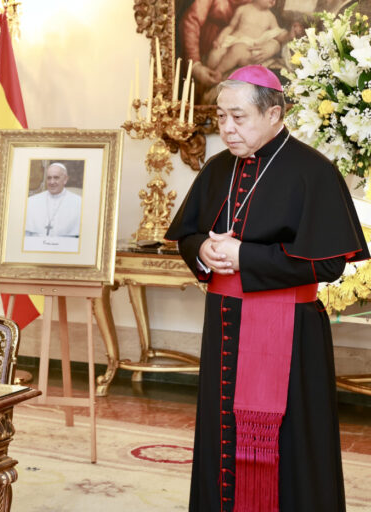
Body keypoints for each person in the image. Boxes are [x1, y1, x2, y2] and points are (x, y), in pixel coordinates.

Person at [165, 65, 369, 511]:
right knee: (221, 436)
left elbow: (331, 261)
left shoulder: (312, 171)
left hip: (290, 331)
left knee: (291, 442)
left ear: (274, 113)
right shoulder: (218, 168)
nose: (227, 128)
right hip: (224, 326)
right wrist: (204, 251)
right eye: (221, 117)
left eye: (239, 117)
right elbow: (188, 233)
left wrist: (245, 257)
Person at [180, 0, 283, 103]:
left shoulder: (267, 14)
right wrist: (195, 66)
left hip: (246, 50)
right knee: (213, 58)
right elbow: (191, 21)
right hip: (217, 45)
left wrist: (274, 46)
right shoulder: (244, 9)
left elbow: (277, 34)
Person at [205, 0, 288, 78]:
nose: (273, 1)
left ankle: (218, 72)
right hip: (232, 41)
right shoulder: (243, 9)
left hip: (247, 47)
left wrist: (289, 35)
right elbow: (231, 27)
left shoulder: (270, 17)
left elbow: (277, 33)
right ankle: (205, 80)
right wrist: (220, 38)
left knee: (237, 50)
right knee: (214, 56)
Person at [24, 162, 82, 237]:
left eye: (56, 178)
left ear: (65, 179)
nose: (52, 182)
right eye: (49, 178)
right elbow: (26, 236)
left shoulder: (78, 202)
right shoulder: (31, 202)